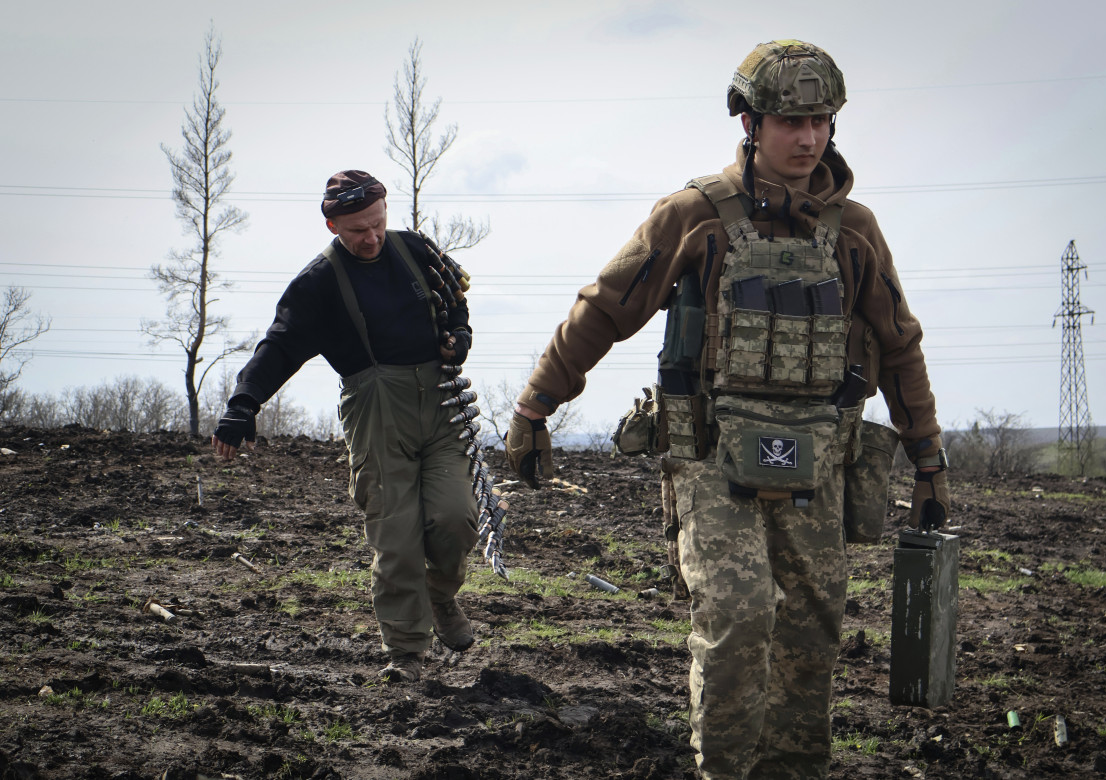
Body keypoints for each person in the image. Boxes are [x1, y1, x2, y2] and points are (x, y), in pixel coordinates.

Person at [505, 41, 950, 779]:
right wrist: (536, 404)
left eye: (821, 121)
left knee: (812, 629)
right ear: (749, 121)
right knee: (740, 617)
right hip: (713, 458)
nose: (808, 139)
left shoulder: (855, 231)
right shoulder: (695, 216)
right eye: (790, 121)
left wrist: (929, 461)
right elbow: (604, 309)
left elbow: (899, 347)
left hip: (821, 461)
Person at [211, 170, 481, 684]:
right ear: (333, 225)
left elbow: (455, 304)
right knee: (396, 536)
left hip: (442, 405)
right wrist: (243, 403)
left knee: (456, 519)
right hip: (377, 413)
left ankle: (439, 597)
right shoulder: (318, 283)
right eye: (358, 229)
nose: (372, 237)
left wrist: (459, 337)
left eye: (378, 223)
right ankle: (408, 654)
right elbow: (281, 345)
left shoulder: (418, 252)